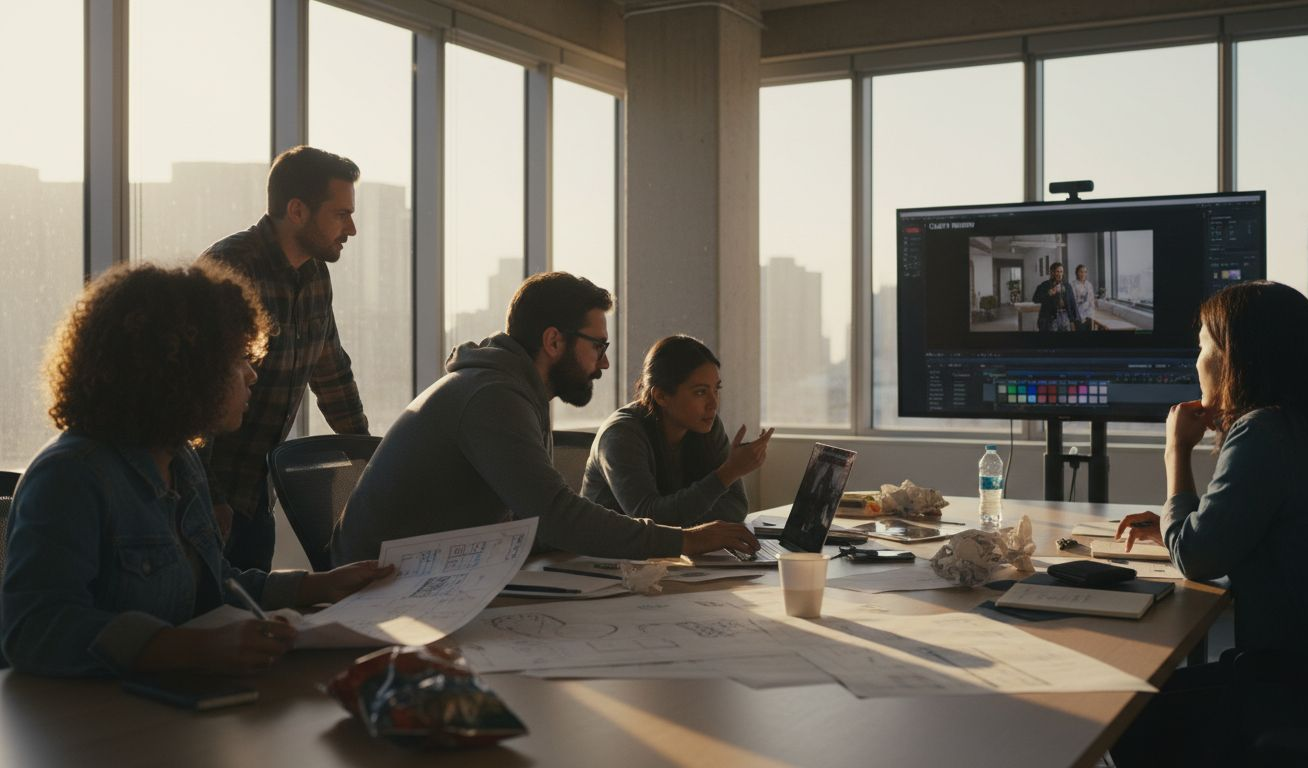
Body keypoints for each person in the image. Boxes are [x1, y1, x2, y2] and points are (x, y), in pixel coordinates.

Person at [0, 263, 392, 678]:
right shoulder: (70, 476)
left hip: (160, 711)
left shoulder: (181, 462)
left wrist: (316, 586)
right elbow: (33, 629)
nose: (252, 374)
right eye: (238, 358)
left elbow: (213, 586)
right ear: (183, 371)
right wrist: (187, 648)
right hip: (78, 725)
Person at [330, 272, 759, 566]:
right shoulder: (492, 397)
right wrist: (685, 540)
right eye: (597, 347)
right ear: (554, 341)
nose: (604, 364)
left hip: (444, 570)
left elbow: (533, 521)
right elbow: (554, 515)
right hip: (382, 586)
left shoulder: (515, 393)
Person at [1111, 281, 1308, 766]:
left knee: (1124, 714)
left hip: (1293, 684)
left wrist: (1176, 451)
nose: (1197, 362)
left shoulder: (1265, 432)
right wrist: (1187, 522)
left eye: (1201, 346)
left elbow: (1197, 558)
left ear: (1233, 357)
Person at [197, 145, 369, 572]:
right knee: (210, 620)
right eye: (340, 214)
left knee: (254, 616)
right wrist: (209, 496)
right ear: (297, 210)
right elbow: (196, 395)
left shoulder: (314, 274)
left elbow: (331, 373)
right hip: (205, 498)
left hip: (256, 493)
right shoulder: (230, 268)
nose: (351, 228)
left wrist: (367, 460)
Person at [581, 335, 773, 526]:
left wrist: (676, 514)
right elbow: (649, 517)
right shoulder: (621, 435)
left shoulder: (707, 426)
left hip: (666, 553)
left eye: (716, 389)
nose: (713, 404)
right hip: (604, 553)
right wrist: (728, 472)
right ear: (661, 396)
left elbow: (735, 508)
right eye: (700, 392)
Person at [1031, 261, 1080, 332]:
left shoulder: (1067, 286)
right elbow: (1035, 299)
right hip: (1050, 319)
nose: (1060, 274)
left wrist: (1074, 321)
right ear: (1052, 272)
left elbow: (1073, 303)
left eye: (1061, 271)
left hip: (1065, 317)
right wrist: (1048, 294)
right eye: (1057, 271)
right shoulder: (1045, 285)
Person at [1071, 264, 1096, 331]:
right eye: (1081, 272)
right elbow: (1073, 302)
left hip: (1089, 316)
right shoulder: (1073, 284)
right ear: (1077, 273)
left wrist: (1092, 316)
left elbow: (1092, 301)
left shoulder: (1089, 284)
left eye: (1085, 272)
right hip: (1079, 316)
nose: (1083, 274)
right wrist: (1081, 317)